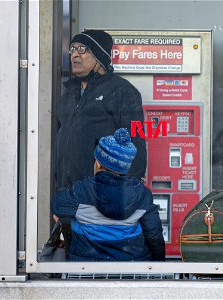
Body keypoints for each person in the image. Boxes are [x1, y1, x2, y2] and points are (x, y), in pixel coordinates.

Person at [50, 128, 165, 261]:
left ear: (98, 163)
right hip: (131, 265)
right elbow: (154, 235)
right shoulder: (142, 194)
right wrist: (159, 264)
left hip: (86, 266)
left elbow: (56, 207)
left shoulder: (82, 190)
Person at [55, 29, 146, 191]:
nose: (75, 55)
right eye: (72, 49)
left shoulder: (122, 91)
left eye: (82, 49)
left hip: (102, 195)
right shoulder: (68, 92)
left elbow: (136, 144)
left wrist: (122, 195)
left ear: (100, 55)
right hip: (68, 196)